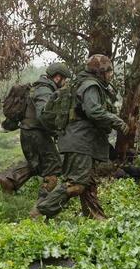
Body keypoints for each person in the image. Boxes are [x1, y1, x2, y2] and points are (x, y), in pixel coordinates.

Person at [35, 54, 127, 219]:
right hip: (80, 141)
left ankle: (96, 218)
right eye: (109, 71)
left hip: (82, 141)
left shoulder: (84, 83)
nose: (110, 75)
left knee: (88, 184)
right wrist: (117, 121)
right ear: (100, 72)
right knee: (76, 184)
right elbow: (94, 111)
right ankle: (41, 211)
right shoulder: (90, 86)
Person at [0, 62, 72, 196]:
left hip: (28, 132)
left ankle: (10, 182)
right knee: (54, 168)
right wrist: (56, 131)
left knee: (36, 164)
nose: (64, 82)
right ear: (57, 77)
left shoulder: (37, 87)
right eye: (64, 79)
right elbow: (43, 115)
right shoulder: (44, 90)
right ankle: (43, 205)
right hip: (37, 134)